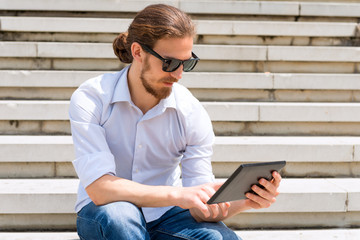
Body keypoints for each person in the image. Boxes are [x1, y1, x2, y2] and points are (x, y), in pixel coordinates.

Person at [69, 4, 282, 240]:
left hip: (167, 216)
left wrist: (243, 200)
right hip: (105, 212)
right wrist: (177, 195)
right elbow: (101, 189)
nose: (179, 74)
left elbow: (201, 208)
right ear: (138, 52)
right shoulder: (92, 97)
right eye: (170, 63)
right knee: (122, 217)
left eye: (187, 63)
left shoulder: (190, 110)